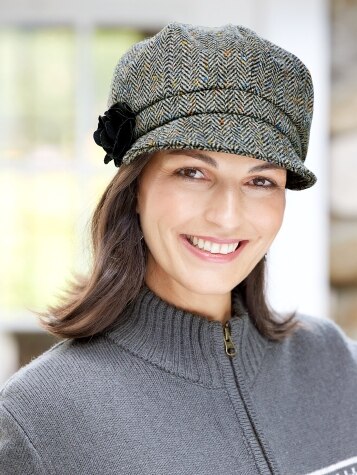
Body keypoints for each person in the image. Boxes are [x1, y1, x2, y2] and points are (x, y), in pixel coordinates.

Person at [1, 21, 356, 475]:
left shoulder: (335, 364)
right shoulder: (42, 417)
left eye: (261, 180)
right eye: (192, 172)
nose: (227, 215)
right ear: (135, 187)